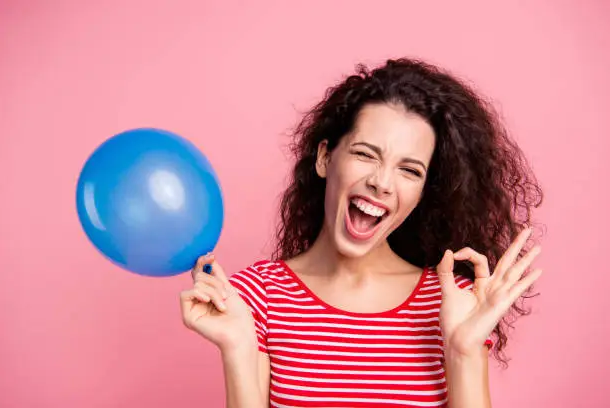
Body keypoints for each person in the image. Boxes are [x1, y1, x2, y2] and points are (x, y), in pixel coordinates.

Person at [179, 58, 544, 408]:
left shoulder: (453, 301)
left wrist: (463, 350)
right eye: (366, 154)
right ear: (325, 158)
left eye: (410, 170)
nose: (381, 183)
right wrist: (238, 346)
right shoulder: (256, 297)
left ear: (421, 194)